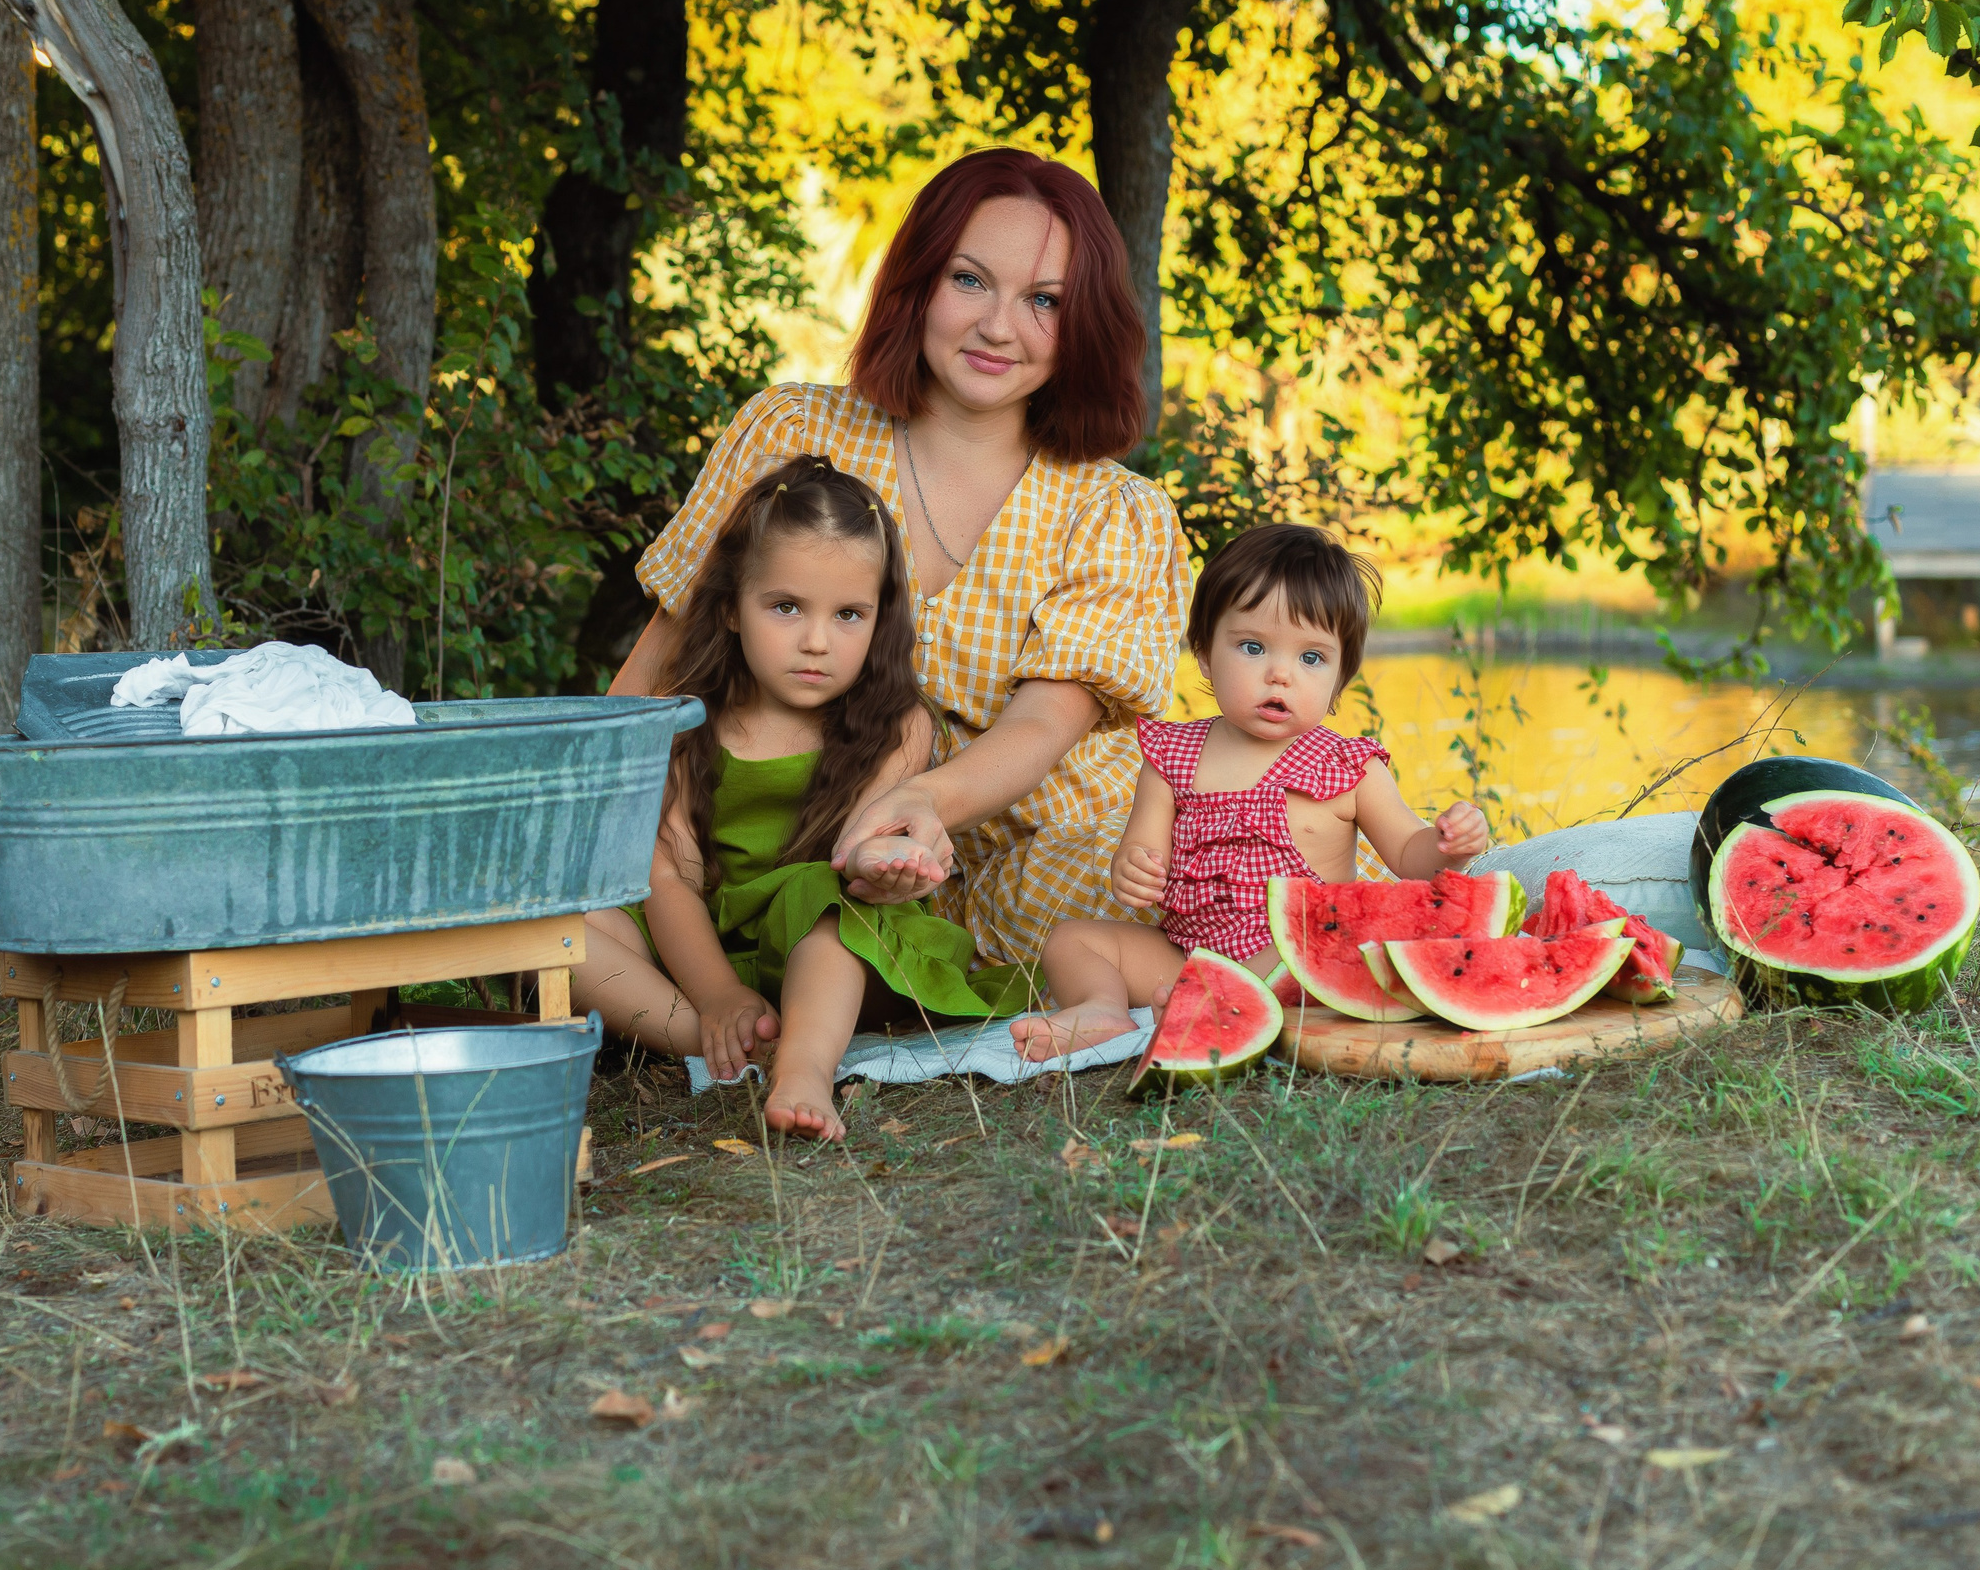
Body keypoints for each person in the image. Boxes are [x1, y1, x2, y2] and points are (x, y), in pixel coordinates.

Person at [609, 148, 1189, 979]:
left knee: (1229, 922)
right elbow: (661, 665)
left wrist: (919, 801)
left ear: (1083, 323)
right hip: (828, 854)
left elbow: (1042, 723)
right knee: (583, 913)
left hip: (1052, 847)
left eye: (1045, 301)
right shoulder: (793, 433)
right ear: (918, 283)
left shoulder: (1113, 511)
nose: (997, 326)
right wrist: (579, 813)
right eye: (969, 280)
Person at [580, 458, 1034, 1141]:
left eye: (849, 614)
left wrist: (890, 867)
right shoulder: (683, 720)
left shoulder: (895, 724)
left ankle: (803, 1067)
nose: (817, 640)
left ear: (880, 621)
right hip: (711, 943)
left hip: (840, 938)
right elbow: (667, 876)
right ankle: (716, 1037)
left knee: (820, 901)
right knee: (569, 924)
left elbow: (860, 857)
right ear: (733, 606)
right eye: (786, 606)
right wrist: (716, 993)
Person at [1011, 525, 1493, 1058]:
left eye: (1311, 658)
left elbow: (1409, 857)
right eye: (1252, 647)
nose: (1279, 674)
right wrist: (1133, 869)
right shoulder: (1171, 756)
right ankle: (1102, 1008)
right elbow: (1142, 854)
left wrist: (1449, 845)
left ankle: (1209, 1006)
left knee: (1327, 945)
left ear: (1339, 680)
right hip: (1186, 954)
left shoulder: (1349, 768)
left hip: (1294, 954)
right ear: (1203, 654)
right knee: (1073, 941)